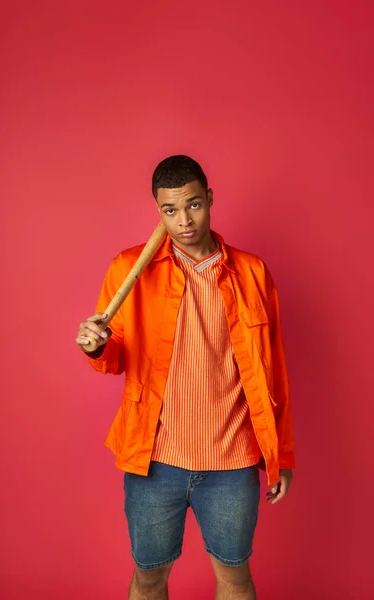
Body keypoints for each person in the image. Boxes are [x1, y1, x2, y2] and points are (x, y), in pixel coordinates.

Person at [76, 155, 295, 600]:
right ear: (157, 209)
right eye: (170, 210)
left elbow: (274, 371)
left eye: (193, 205)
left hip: (232, 463)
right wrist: (95, 344)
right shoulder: (129, 269)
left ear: (209, 199)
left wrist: (280, 454)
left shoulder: (252, 273)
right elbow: (115, 356)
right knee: (149, 578)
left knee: (235, 578)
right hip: (154, 461)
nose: (183, 220)